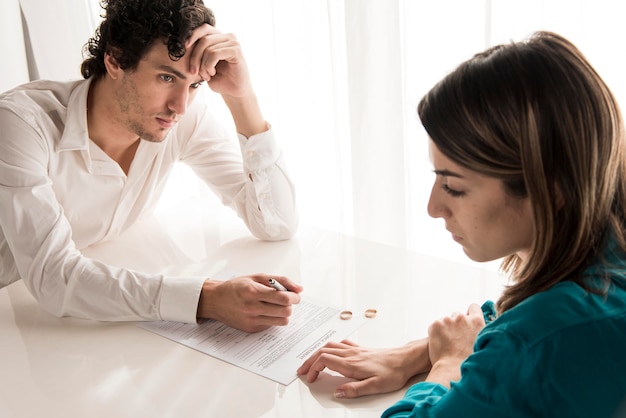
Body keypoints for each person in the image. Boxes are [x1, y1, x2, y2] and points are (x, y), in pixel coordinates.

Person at [298, 31, 626, 417]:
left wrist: (448, 365)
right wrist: (421, 351)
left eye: (453, 186)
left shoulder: (531, 344)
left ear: (549, 191)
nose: (433, 207)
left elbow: (529, 338)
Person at [0, 0, 303, 333]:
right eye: (165, 77)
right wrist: (207, 297)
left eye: (194, 84)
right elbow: (53, 279)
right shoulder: (21, 123)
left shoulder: (179, 119)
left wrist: (241, 98)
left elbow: (277, 223)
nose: (180, 106)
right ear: (114, 59)